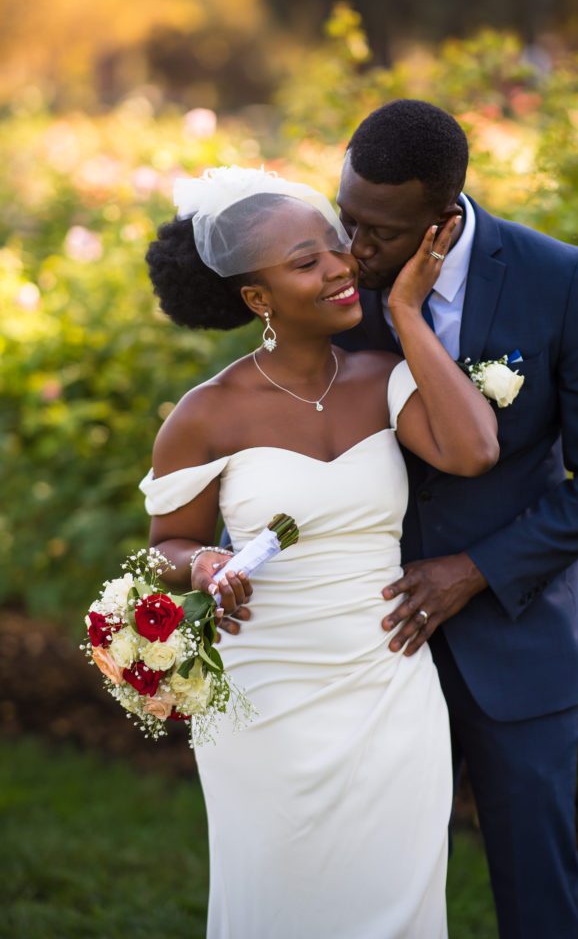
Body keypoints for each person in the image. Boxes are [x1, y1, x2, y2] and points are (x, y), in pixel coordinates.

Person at [139, 165, 499, 939]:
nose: (340, 267)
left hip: (388, 686)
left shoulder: (383, 377)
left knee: (398, 899)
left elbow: (472, 450)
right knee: (280, 901)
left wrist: (405, 312)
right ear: (256, 299)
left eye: (334, 248)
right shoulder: (207, 415)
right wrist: (203, 563)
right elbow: (166, 546)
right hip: (266, 696)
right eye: (306, 262)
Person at [333, 99, 578, 939]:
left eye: (379, 234)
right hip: (377, 647)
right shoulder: (338, 285)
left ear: (441, 225)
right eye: (345, 220)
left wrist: (475, 569)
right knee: (372, 891)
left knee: (536, 897)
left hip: (521, 650)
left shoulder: (557, 279)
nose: (354, 251)